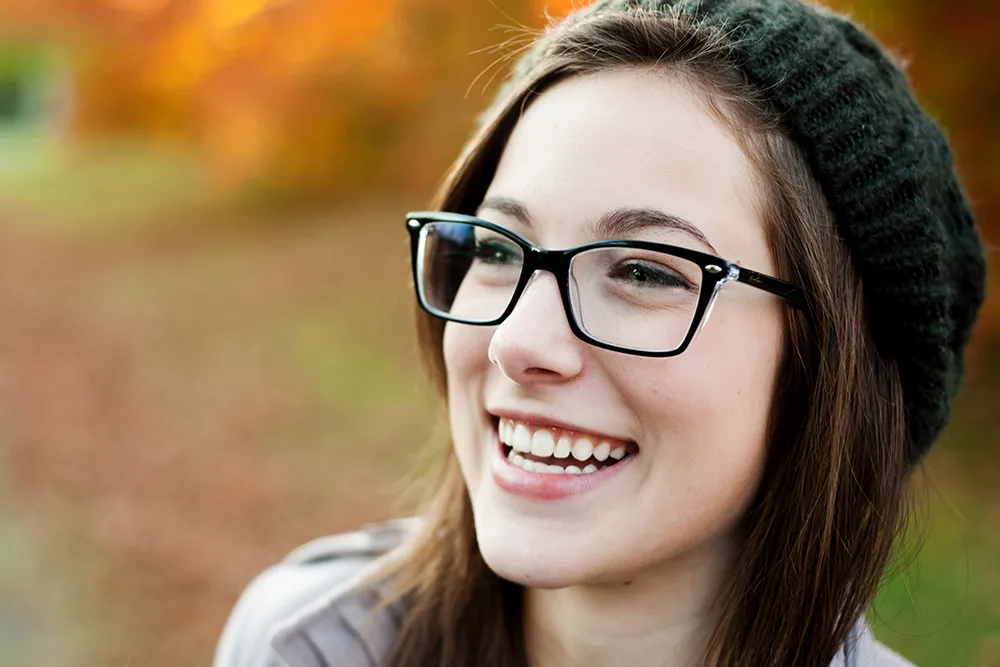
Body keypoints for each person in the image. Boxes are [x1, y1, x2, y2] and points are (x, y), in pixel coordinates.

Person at [213, 1, 987, 666]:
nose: (520, 342)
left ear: (832, 366)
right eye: (494, 247)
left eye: (647, 273)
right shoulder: (296, 642)